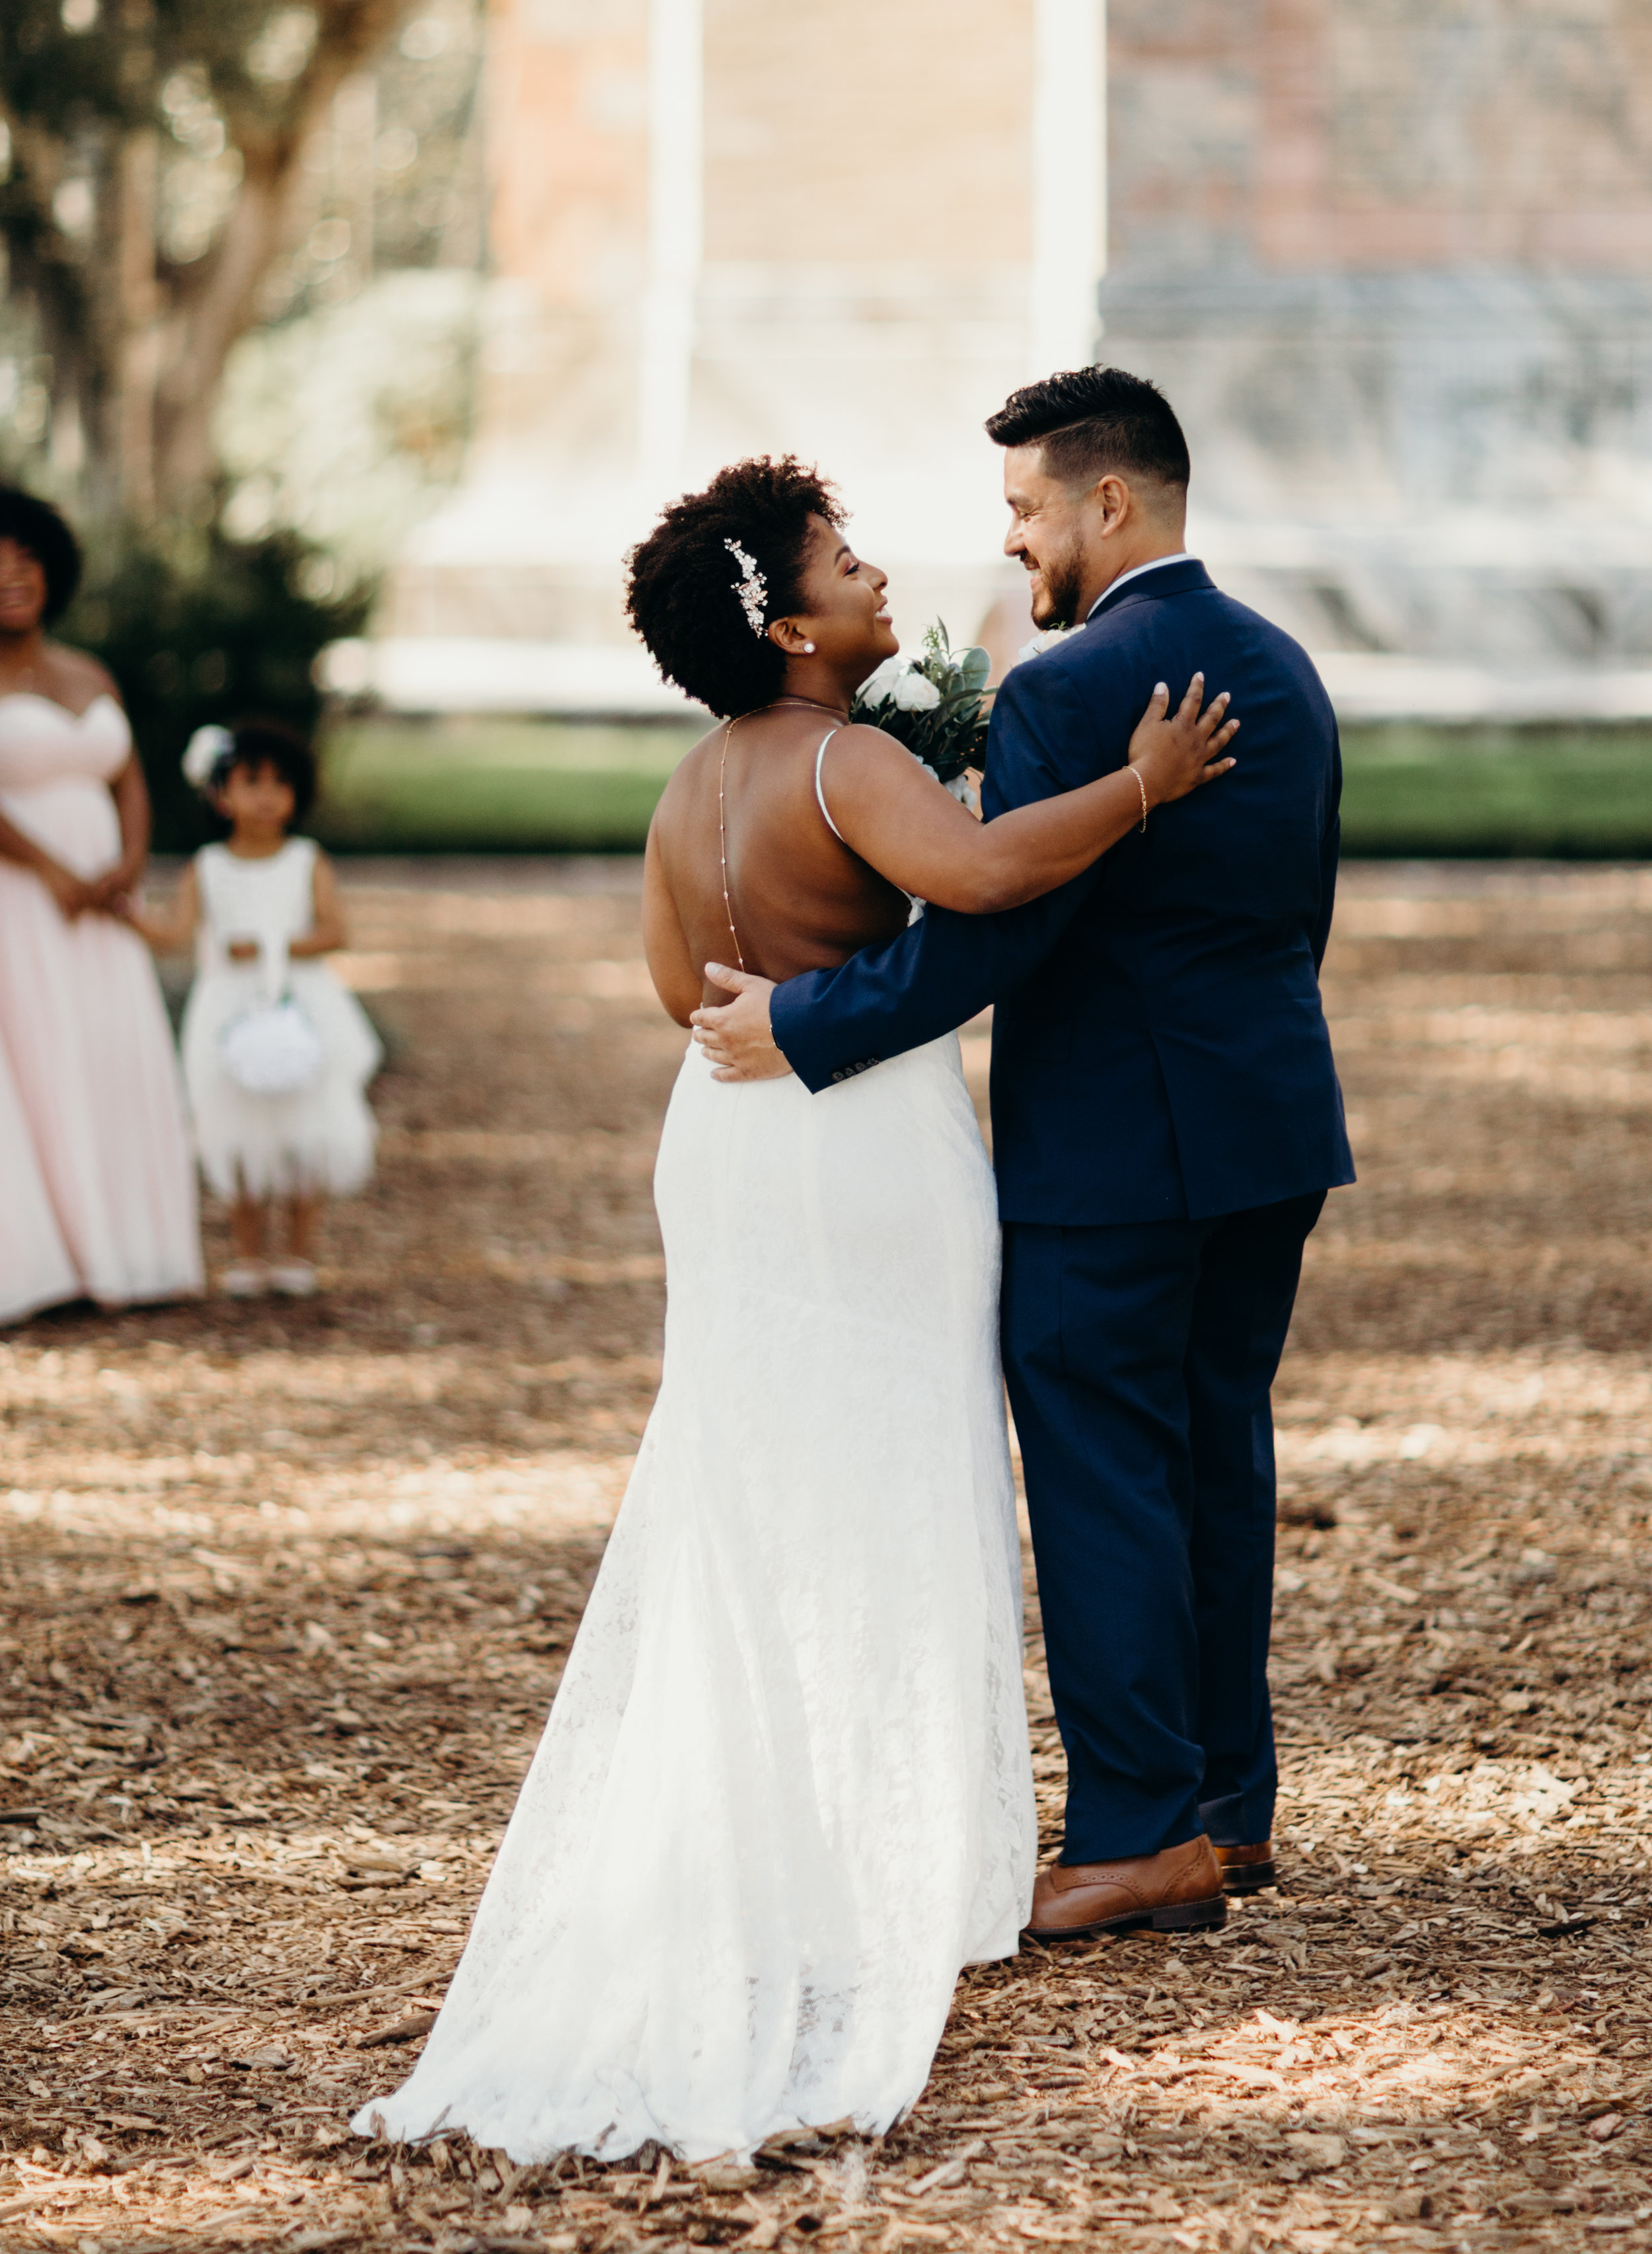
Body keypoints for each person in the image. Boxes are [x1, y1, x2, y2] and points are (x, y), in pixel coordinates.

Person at [352, 453, 1237, 2164]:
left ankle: (776, 1835)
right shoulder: (848, 755)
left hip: (727, 1141)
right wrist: (1135, 786)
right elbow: (978, 880)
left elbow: (677, 990)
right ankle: (887, 1858)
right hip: (861, 1144)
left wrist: (784, 985)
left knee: (749, 1480)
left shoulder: (692, 783)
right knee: (894, 1472)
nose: (871, 573)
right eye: (840, 558)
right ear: (785, 619)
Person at [695, 369, 1355, 1940]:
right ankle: (1225, 1806)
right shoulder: (1284, 666)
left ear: (1106, 503)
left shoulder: (1073, 689)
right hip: (1268, 1122)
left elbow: (998, 935)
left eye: (1025, 510)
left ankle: (1138, 1834)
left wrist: (807, 1023)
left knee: (1105, 1470)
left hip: (1114, 1144)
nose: (1013, 547)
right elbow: (1296, 909)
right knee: (1213, 1450)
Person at [0, 486, 202, 1321]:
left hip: (103, 907)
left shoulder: (90, 671)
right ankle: (43, 1260)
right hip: (19, 903)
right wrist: (49, 868)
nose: (14, 576)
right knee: (34, 1063)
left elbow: (126, 778)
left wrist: (126, 859)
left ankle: (127, 1247)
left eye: (28, 560)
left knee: (107, 1049)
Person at [122, 720, 380, 1298]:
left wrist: (268, 943)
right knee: (236, 1124)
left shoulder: (307, 860)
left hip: (299, 1002)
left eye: (280, 783)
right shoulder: (207, 867)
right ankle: (247, 1252)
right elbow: (178, 933)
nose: (267, 796)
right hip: (230, 1008)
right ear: (221, 794)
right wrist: (131, 918)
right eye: (251, 782)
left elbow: (336, 931)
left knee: (302, 1127)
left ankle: (299, 1251)